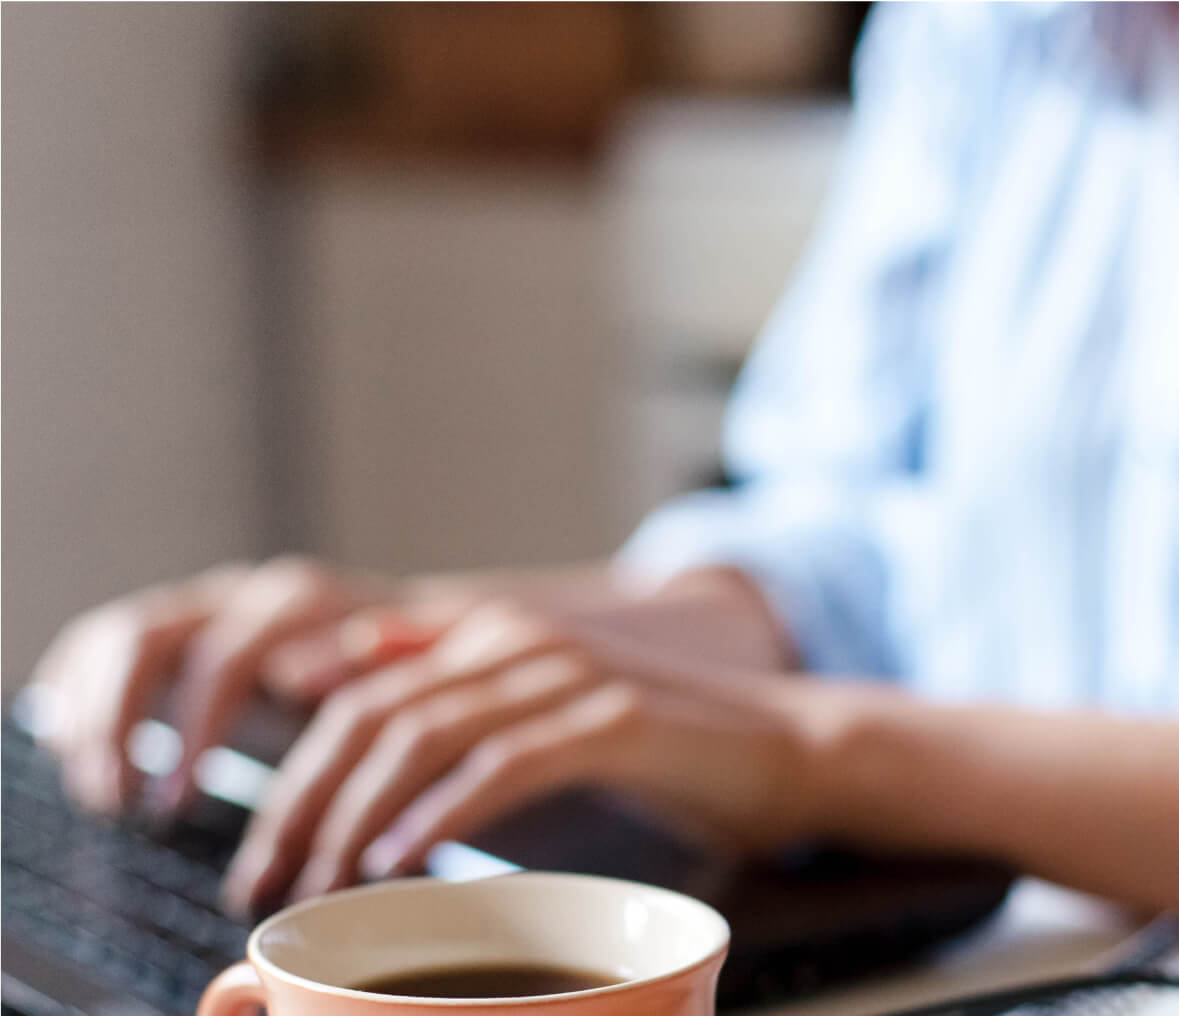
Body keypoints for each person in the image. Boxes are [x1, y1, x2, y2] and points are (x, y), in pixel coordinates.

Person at [29, 1, 1179, 916]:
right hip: (1025, 974)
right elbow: (857, 549)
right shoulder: (979, 30)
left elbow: (821, 715)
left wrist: (811, 752)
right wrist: (429, 645)